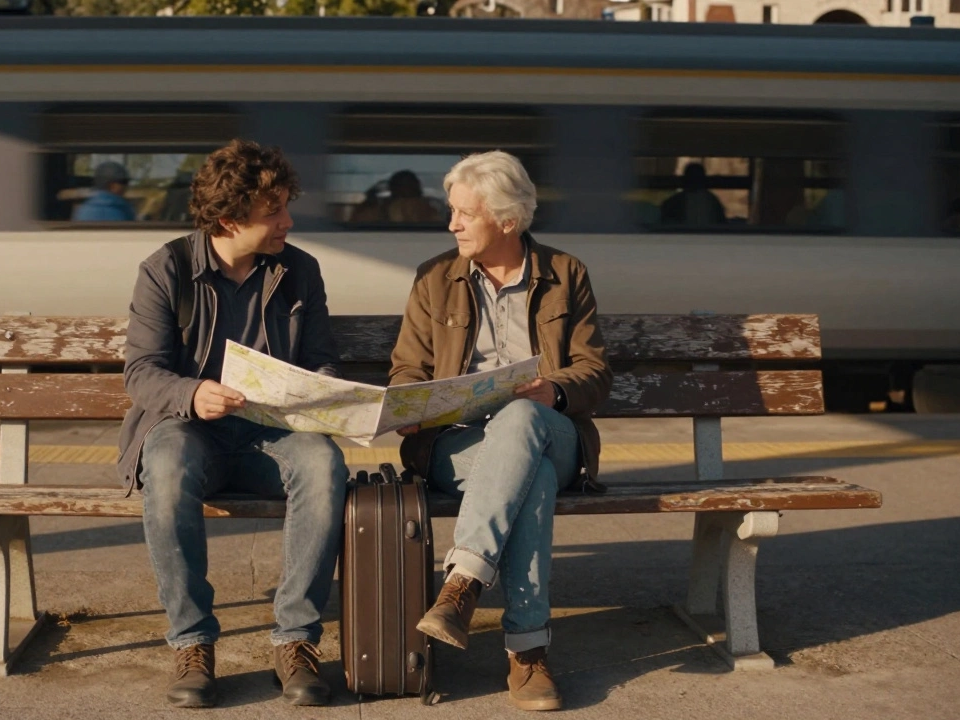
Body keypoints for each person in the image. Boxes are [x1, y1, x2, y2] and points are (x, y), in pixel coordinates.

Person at [115, 139, 347, 709]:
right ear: (229, 219)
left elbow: (321, 358)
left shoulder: (299, 270)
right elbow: (141, 372)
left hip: (274, 432)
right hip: (191, 430)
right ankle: (192, 643)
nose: (287, 222)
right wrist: (192, 393)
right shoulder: (167, 268)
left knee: (323, 464)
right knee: (166, 466)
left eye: (286, 207)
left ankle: (296, 641)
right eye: (274, 212)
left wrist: (319, 390)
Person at [389, 150, 612, 711]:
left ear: (508, 220)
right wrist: (410, 404)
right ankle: (527, 651)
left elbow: (593, 371)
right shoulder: (434, 278)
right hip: (457, 445)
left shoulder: (565, 274)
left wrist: (554, 390)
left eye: (465, 213)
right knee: (530, 480)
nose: (452, 224)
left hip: (551, 432)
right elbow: (408, 370)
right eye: (452, 211)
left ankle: (464, 580)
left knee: (521, 420)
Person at [659, 162, 726, 227]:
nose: (695, 181)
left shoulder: (712, 201)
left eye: (697, 178)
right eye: (693, 177)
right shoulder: (712, 200)